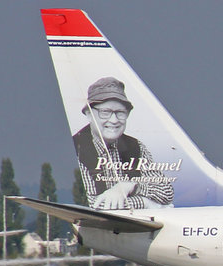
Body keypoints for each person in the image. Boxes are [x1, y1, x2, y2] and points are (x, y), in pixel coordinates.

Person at [72, 77, 175, 209]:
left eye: (120, 113)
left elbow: (166, 192)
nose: (114, 120)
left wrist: (131, 186)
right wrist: (147, 203)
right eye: (105, 112)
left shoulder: (137, 147)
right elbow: (93, 205)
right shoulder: (76, 149)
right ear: (89, 114)